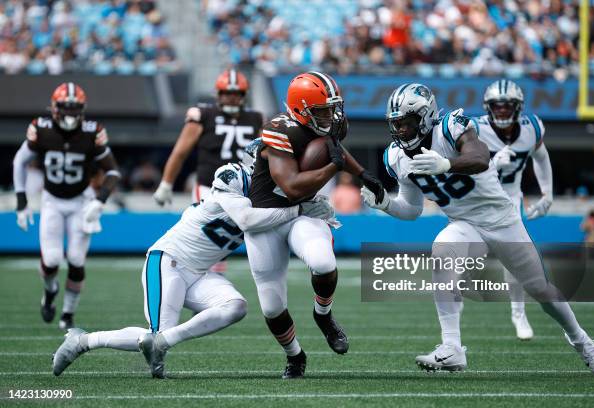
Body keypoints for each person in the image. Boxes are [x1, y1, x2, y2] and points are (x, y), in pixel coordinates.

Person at [362, 83, 594, 375]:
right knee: (441, 254)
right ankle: (452, 347)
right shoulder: (396, 157)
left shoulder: (451, 127)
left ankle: (582, 340)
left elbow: (479, 158)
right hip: (465, 225)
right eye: (396, 124)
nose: (400, 130)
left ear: (425, 117)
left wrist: (445, 164)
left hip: (503, 221)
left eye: (406, 122)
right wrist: (386, 204)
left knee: (540, 290)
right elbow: (413, 209)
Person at [52, 140, 335, 378]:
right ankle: (83, 340)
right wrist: (297, 211)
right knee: (155, 332)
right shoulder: (233, 175)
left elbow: (280, 222)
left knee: (235, 307)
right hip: (168, 261)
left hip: (199, 271)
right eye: (273, 163)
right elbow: (247, 219)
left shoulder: (271, 196)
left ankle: (164, 342)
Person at [245, 71, 385, 378]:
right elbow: (293, 185)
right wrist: (334, 166)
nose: (331, 115)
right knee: (271, 306)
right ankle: (295, 356)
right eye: (322, 110)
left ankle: (323, 315)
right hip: (266, 218)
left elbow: (332, 147)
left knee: (323, 262)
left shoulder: (326, 122)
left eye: (333, 107)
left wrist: (362, 173)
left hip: (304, 211)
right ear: (300, 108)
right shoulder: (278, 131)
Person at [13, 82, 121, 330]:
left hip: (80, 201)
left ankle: (68, 314)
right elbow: (20, 162)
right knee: (50, 260)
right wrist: (21, 201)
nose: (71, 114)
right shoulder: (41, 128)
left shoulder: (92, 131)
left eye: (75, 109)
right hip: (51, 200)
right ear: (54, 108)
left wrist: (99, 200)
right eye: (66, 108)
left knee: (75, 259)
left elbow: (113, 171)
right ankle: (50, 291)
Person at [153, 68, 263, 273]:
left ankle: (213, 289)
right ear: (218, 94)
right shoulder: (204, 115)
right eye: (227, 93)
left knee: (233, 241)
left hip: (244, 190)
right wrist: (166, 184)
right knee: (206, 238)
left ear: (244, 95)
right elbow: (180, 152)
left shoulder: (255, 118)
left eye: (236, 93)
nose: (231, 98)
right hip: (209, 187)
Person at [477, 79, 554, 340]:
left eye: (507, 106)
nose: (501, 111)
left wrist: (548, 193)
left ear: (518, 107)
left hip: (508, 201)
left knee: (516, 262)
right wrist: (490, 165)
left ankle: (518, 312)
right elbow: (458, 169)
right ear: (488, 108)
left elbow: (541, 158)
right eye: (496, 106)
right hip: (473, 199)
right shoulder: (473, 129)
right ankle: (450, 338)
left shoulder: (531, 128)